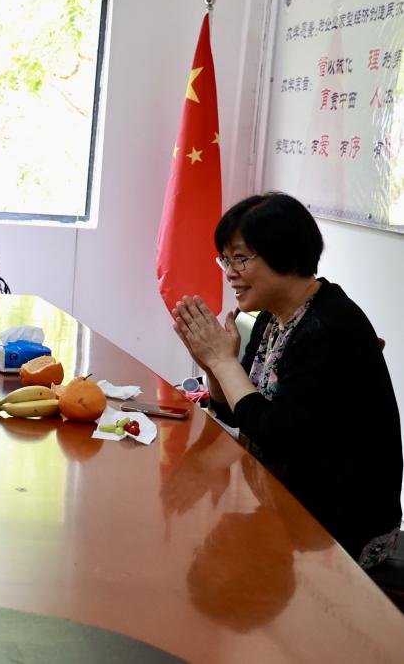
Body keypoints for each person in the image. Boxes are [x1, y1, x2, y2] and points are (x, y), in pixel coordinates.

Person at [171, 191, 402, 568]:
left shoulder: (330, 327)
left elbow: (276, 436)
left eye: (240, 258)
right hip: (288, 501)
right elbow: (239, 413)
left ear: (286, 254)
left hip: (339, 525)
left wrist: (224, 362)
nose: (229, 272)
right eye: (226, 259)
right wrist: (213, 367)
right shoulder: (274, 316)